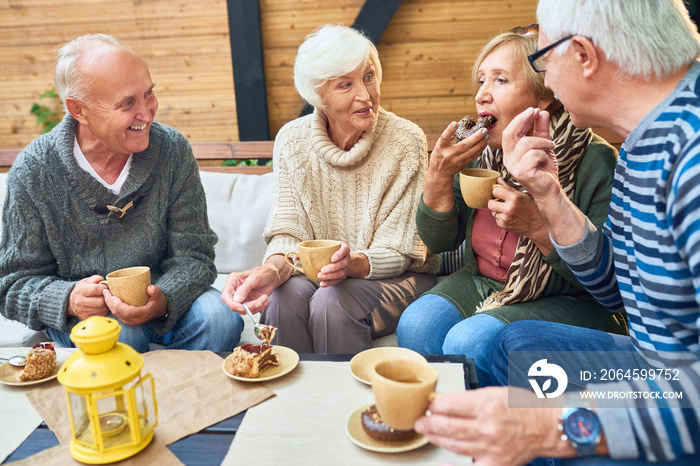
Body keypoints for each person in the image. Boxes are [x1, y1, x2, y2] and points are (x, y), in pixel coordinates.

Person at [414, 1, 700, 464]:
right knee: (512, 344)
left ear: (584, 55)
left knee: (531, 405)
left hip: (677, 388)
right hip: (657, 363)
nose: (545, 81)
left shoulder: (690, 162)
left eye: (543, 61)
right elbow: (619, 292)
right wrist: (550, 198)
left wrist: (557, 427)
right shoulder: (638, 146)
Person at [396, 24, 627, 386]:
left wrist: (537, 225)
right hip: (482, 282)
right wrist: (438, 177)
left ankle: (484, 429)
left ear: (543, 96)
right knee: (416, 326)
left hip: (573, 299)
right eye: (481, 81)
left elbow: (609, 283)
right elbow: (440, 242)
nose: (482, 96)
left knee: (467, 342)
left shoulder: (594, 160)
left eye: (500, 80)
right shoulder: (479, 151)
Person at [0, 34, 244, 353]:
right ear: (79, 110)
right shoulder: (35, 170)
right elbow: (11, 284)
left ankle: (184, 396)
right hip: (86, 318)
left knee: (221, 319)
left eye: (148, 94)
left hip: (164, 298)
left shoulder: (172, 151)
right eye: (128, 103)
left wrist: (164, 297)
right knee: (121, 337)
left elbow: (195, 256)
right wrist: (69, 299)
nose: (147, 112)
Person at [222, 24, 439, 354]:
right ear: (318, 96)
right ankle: (293, 403)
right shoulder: (292, 142)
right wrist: (269, 271)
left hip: (397, 277)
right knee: (282, 296)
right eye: (345, 84)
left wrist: (350, 264)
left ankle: (344, 403)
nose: (365, 96)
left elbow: (400, 250)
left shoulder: (404, 141)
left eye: (369, 76)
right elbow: (288, 231)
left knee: (332, 301)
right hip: (322, 277)